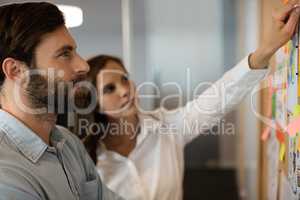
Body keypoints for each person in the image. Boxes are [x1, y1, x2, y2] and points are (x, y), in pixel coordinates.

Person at [80, 2, 300, 200]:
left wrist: (265, 50)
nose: (125, 90)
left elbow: (218, 98)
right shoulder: (86, 160)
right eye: (110, 89)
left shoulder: (166, 127)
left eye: (125, 79)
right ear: (94, 102)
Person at [0, 2, 123, 200]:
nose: (83, 65)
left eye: (75, 52)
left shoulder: (68, 142)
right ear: (16, 70)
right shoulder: (5, 172)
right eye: (64, 54)